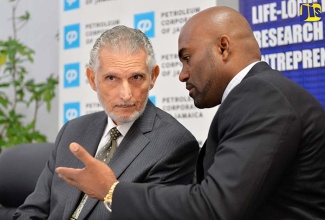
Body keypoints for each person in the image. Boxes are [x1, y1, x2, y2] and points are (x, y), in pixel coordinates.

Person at [56, 6, 325, 220]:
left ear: (223, 47)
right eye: (111, 78)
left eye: (187, 58)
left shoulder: (262, 98)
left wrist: (111, 191)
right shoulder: (253, 97)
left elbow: (214, 207)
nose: (183, 74)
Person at [13, 25, 199, 220]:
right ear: (92, 79)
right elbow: (32, 211)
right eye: (111, 78)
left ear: (153, 77)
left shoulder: (174, 144)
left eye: (136, 77)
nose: (126, 94)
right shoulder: (73, 130)